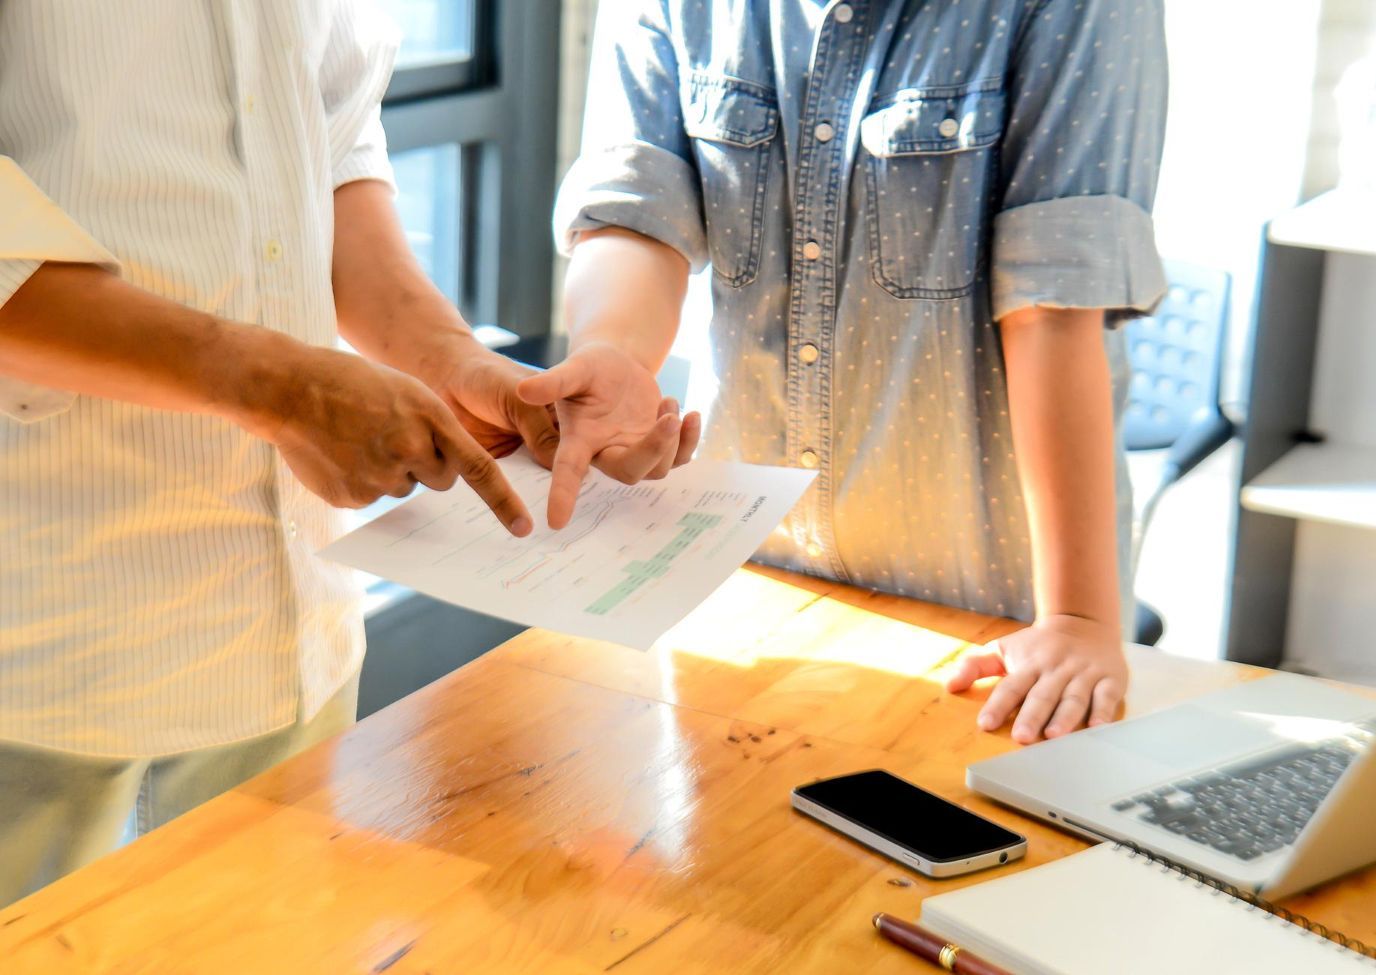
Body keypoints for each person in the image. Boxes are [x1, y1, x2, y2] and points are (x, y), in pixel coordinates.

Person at [0, 1, 694, 905]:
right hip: (46, 656)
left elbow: (328, 140)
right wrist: (277, 385)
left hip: (298, 631)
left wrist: (450, 359)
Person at [537, 0, 1168, 742]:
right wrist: (612, 350)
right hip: (751, 579)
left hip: (989, 608)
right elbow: (635, 212)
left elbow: (1053, 304)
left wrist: (1078, 615)